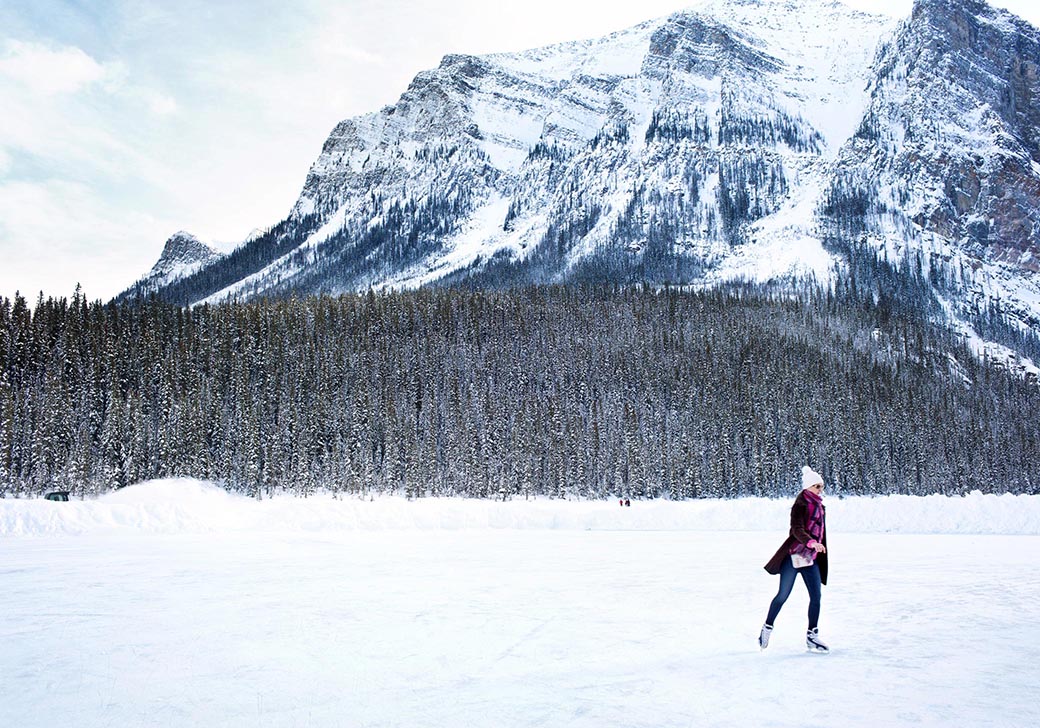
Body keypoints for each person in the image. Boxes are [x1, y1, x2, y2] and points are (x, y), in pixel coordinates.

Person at [758, 466, 829, 653]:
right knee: (783, 595)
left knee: (816, 597)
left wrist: (817, 546)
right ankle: (767, 627)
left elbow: (821, 532)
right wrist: (811, 542)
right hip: (794, 556)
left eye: (821, 486)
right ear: (807, 487)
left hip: (810, 558)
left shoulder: (820, 507)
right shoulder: (800, 506)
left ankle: (812, 635)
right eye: (816, 486)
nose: (820, 490)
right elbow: (796, 529)